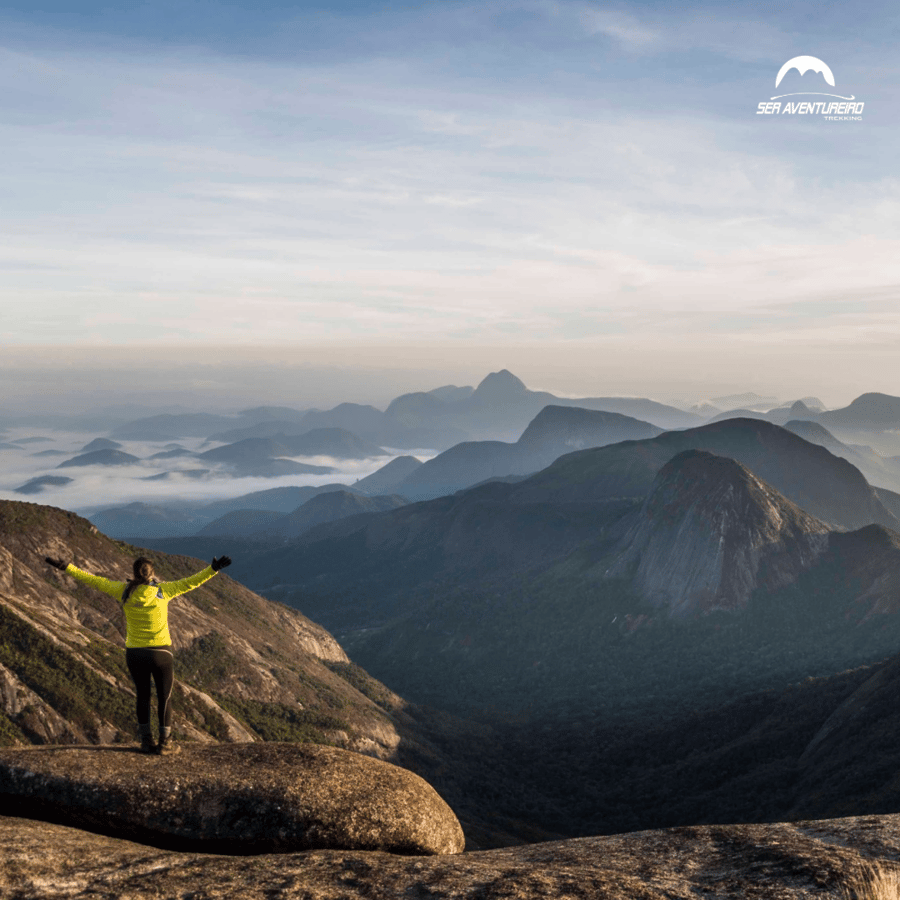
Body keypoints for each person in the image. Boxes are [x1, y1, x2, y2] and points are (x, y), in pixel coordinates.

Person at [44, 553, 232, 755]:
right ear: (153, 574)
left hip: (135, 653)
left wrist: (66, 567)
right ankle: (165, 743)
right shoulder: (163, 591)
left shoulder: (123, 591)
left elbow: (93, 580)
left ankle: (146, 741)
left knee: (142, 696)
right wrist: (213, 569)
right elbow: (191, 583)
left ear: (134, 574)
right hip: (161, 652)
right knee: (164, 697)